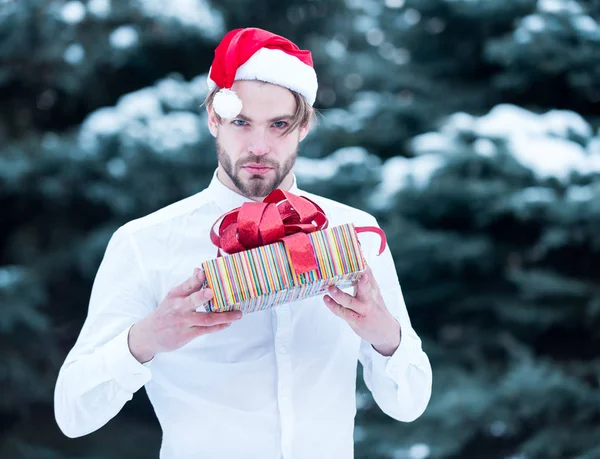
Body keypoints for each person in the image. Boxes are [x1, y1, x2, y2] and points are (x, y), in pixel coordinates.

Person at [54, 27, 432, 459]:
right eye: (240, 122)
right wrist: (144, 340)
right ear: (214, 119)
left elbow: (409, 403)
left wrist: (386, 336)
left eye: (278, 125)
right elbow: (73, 413)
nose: (258, 146)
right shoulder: (144, 243)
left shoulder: (353, 234)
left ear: (304, 126)